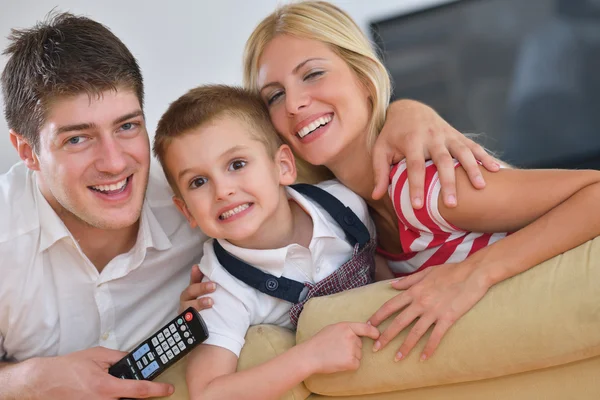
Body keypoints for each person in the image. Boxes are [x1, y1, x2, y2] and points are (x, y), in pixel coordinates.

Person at [0, 9, 496, 400]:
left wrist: (407, 112)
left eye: (127, 126)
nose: (114, 163)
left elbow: (295, 146)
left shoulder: (200, 194)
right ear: (27, 152)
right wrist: (26, 383)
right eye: (78, 139)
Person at [234, 0, 600, 364]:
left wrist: (475, 273)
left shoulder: (422, 188)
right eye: (275, 96)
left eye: (313, 74)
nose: (295, 103)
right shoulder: (349, 224)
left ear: (364, 78)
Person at [153, 84, 389, 399]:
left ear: (283, 166)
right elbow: (208, 394)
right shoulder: (220, 291)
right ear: (186, 211)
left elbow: (386, 265)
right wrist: (309, 358)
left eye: (236, 164)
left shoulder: (345, 205)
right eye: (198, 182)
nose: (222, 191)